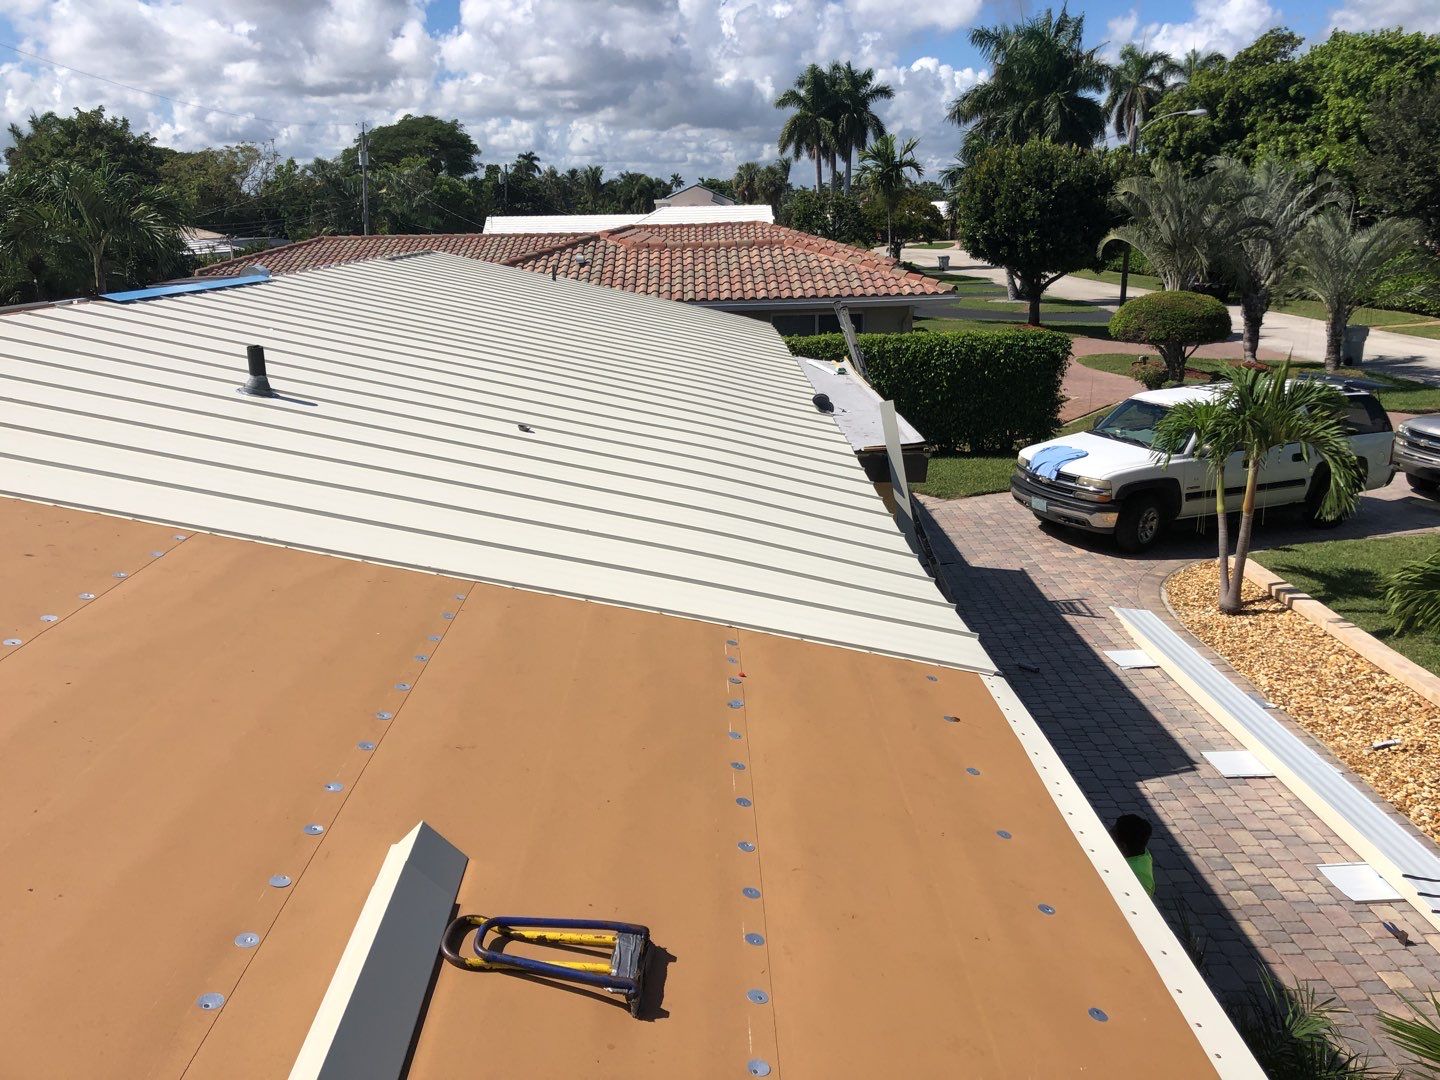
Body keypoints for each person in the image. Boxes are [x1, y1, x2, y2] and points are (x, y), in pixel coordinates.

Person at [1110, 813, 1156, 896]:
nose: (1108, 833)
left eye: (1111, 835)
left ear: (1123, 846)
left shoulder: (1138, 877)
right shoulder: (1141, 851)